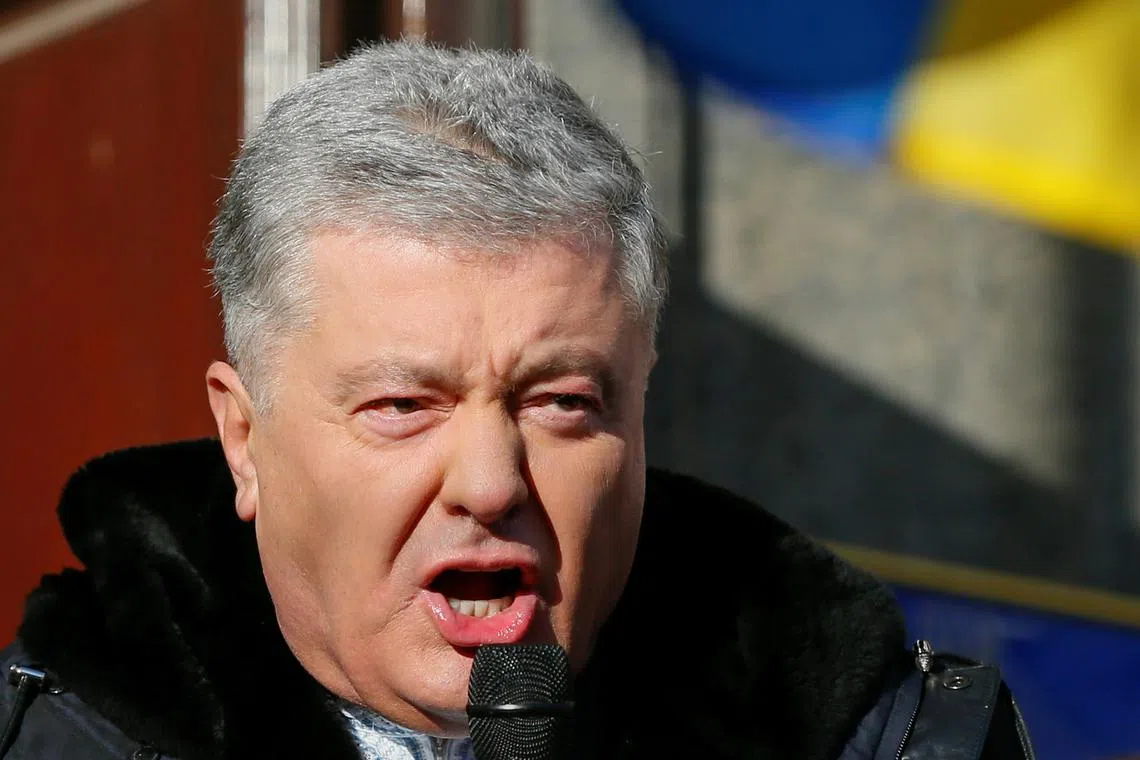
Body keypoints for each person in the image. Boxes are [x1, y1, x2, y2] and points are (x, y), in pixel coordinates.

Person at [0, 41, 1032, 759]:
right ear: (244, 438)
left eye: (563, 402)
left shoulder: (893, 738)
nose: (491, 482)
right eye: (404, 403)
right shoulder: (51, 735)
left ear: (638, 415)